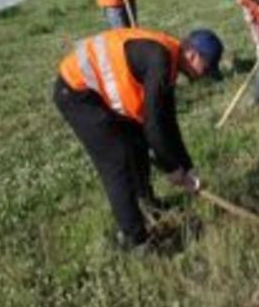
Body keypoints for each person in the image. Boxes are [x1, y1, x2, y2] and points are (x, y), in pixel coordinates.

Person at [53, 27, 223, 251]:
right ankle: (135, 240)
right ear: (192, 55)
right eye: (206, 68)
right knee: (117, 159)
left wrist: (186, 166)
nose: (205, 75)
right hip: (76, 91)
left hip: (98, 94)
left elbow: (167, 121)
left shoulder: (170, 59)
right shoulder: (160, 61)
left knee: (137, 142)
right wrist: (172, 169)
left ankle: (147, 203)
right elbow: (154, 126)